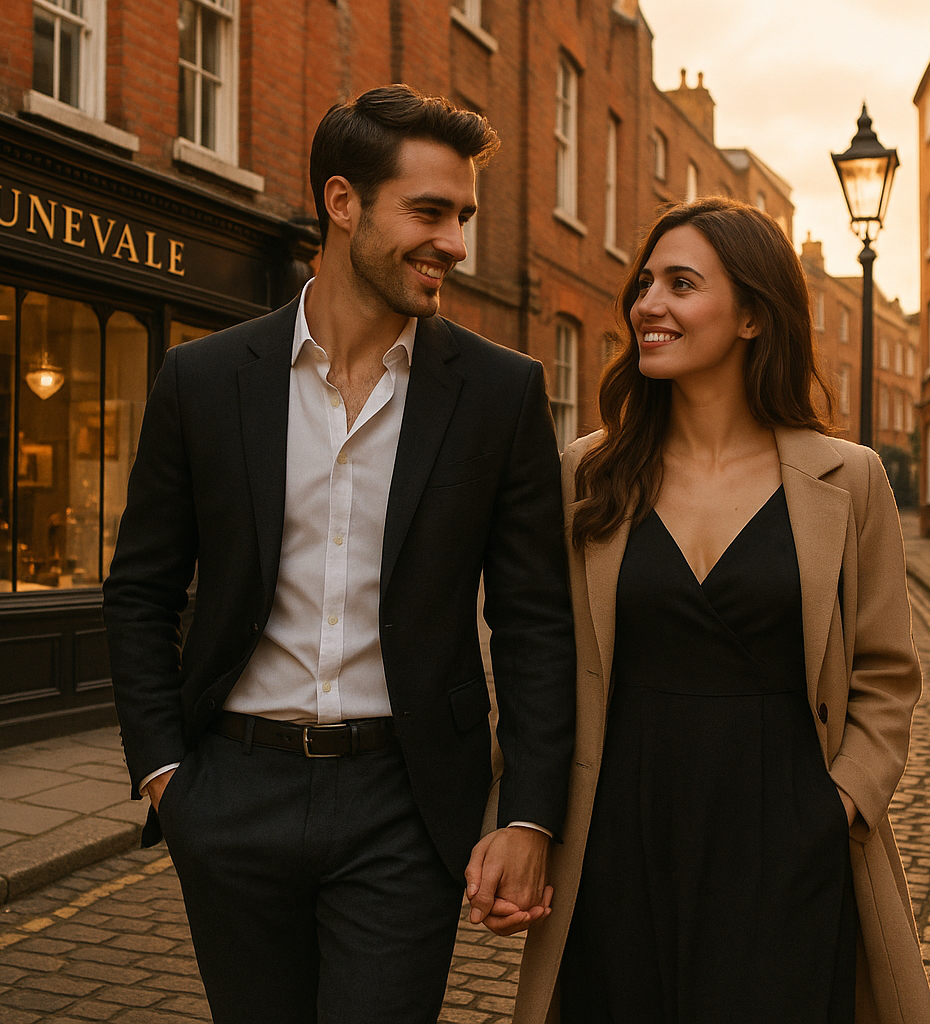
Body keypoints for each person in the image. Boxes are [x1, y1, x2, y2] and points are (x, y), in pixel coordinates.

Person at [104, 85, 576, 1024]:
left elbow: (535, 620)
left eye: (464, 217)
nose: (455, 242)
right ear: (343, 202)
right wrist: (167, 777)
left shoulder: (499, 393)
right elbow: (140, 590)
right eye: (429, 212)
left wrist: (527, 815)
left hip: (405, 803)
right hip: (233, 789)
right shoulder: (203, 379)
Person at [512, 197, 930, 1024]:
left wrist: (836, 804)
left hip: (788, 831)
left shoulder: (848, 481)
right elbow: (539, 659)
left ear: (751, 315)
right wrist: (526, 818)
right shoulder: (583, 475)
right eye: (644, 285)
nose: (648, 306)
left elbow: (888, 674)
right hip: (620, 830)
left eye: (681, 284)